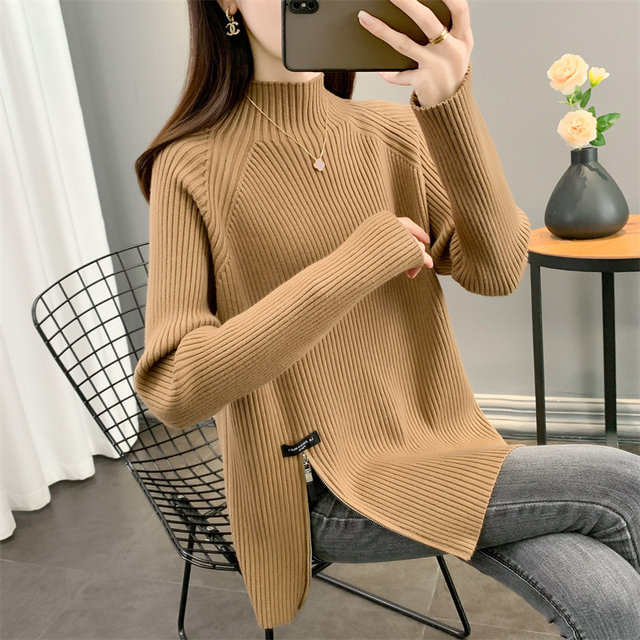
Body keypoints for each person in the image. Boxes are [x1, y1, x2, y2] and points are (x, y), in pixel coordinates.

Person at [133, 1, 640, 638]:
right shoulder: (190, 166)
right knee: (623, 483)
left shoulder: (390, 132)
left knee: (610, 600)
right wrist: (353, 266)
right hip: (317, 484)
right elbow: (175, 388)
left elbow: (498, 269)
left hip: (441, 445)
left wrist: (452, 102)